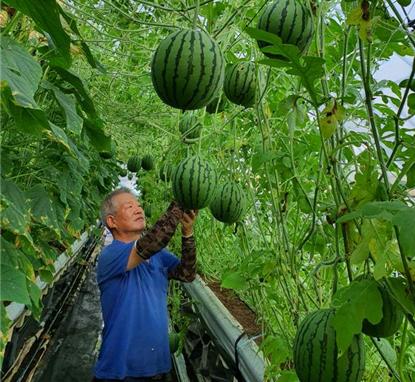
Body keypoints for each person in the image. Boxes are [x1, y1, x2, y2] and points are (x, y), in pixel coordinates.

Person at [92, 187, 198, 382]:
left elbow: (187, 273)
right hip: (119, 372)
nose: (138, 209)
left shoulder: (159, 256)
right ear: (112, 221)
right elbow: (151, 243)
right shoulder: (110, 255)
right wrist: (180, 201)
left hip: (157, 368)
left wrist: (187, 232)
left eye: (139, 205)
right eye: (129, 206)